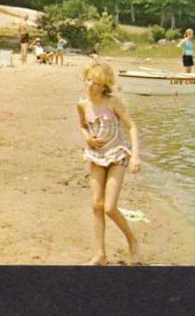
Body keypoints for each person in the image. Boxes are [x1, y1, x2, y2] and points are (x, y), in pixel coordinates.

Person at [77, 61, 141, 265]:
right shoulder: (82, 104)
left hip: (116, 155)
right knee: (96, 205)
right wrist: (87, 137)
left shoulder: (113, 103)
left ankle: (132, 239)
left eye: (95, 82)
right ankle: (100, 254)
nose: (90, 85)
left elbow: (132, 127)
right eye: (88, 80)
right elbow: (82, 125)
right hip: (96, 156)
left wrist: (135, 155)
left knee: (110, 207)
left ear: (104, 85)